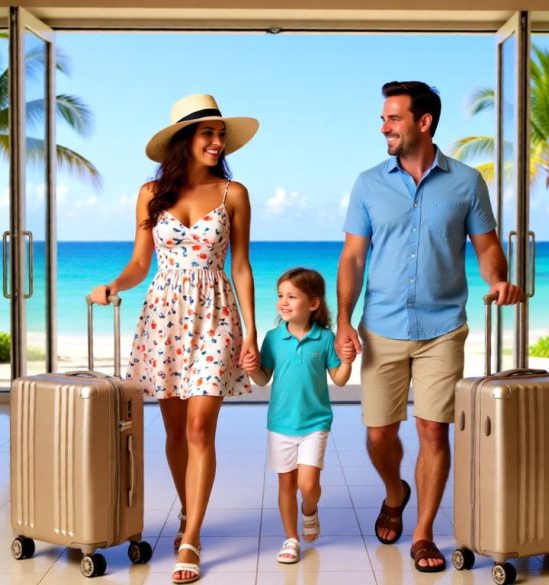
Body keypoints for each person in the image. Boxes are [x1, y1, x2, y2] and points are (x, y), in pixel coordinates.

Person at [335, 81, 522, 573]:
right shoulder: (368, 183)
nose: (383, 128)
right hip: (381, 328)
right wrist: (342, 320)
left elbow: (485, 247)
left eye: (392, 118)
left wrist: (499, 279)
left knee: (433, 431)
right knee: (379, 433)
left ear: (424, 122)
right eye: (383, 119)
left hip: (443, 327)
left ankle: (423, 534)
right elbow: (353, 257)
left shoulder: (467, 182)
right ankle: (395, 490)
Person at [89, 94, 259, 585]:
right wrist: (113, 286)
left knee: (201, 427)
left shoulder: (235, 193)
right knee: (173, 432)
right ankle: (190, 509)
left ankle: (191, 537)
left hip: (215, 314)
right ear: (184, 140)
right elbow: (141, 262)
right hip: (163, 317)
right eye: (207, 133)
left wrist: (249, 329)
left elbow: (241, 266)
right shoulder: (149, 193)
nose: (217, 142)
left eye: (220, 133)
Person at [242, 268, 354, 565]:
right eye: (280, 296)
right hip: (280, 424)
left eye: (292, 296)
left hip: (316, 423)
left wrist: (348, 360)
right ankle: (291, 539)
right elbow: (263, 379)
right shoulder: (273, 338)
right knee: (286, 486)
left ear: (313, 303)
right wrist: (252, 367)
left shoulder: (325, 338)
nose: (284, 302)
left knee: (308, 485)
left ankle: (310, 510)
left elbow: (340, 379)